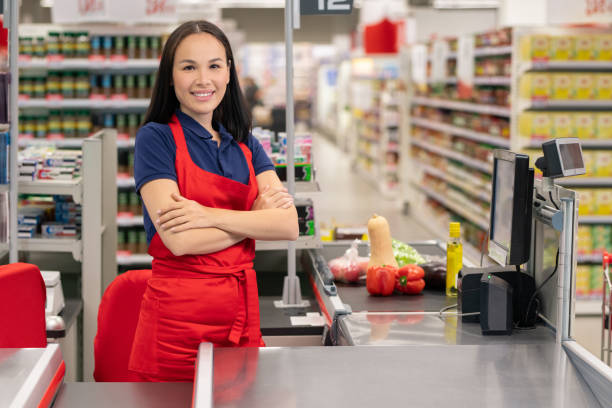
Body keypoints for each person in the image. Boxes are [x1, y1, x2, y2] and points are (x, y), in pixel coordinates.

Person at [128, 20, 299, 382]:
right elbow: (180, 240)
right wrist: (253, 219)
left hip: (241, 321)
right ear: (170, 76)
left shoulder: (246, 143)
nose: (203, 80)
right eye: (189, 67)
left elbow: (287, 225)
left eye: (214, 66)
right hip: (175, 330)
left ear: (228, 72)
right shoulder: (155, 139)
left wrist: (206, 214)